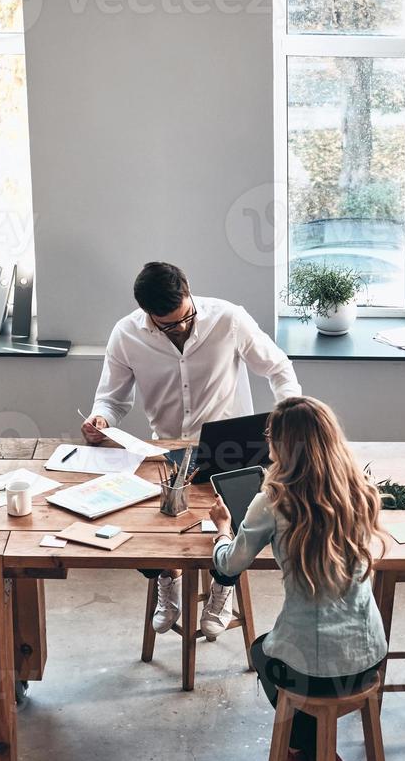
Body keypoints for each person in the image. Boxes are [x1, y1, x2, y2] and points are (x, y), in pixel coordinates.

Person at [82, 261, 302, 637]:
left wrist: (288, 418)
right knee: (135, 529)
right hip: (167, 452)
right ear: (148, 315)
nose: (181, 328)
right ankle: (167, 579)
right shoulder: (125, 335)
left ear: (189, 292)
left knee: (240, 522)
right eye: (168, 324)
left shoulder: (229, 319)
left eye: (186, 317)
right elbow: (112, 400)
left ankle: (223, 587)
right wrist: (100, 420)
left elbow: (278, 368)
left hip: (234, 447)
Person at [209, 397, 387, 761]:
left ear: (281, 446)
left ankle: (310, 748)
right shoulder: (360, 490)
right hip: (370, 659)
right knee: (294, 656)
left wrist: (223, 529)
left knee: (263, 653)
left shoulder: (272, 501)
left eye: (271, 436)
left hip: (314, 672)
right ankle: (302, 750)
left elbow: (229, 565)